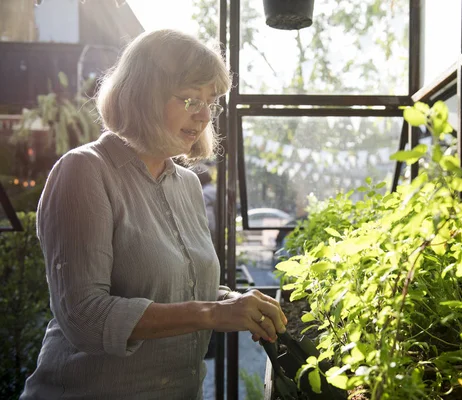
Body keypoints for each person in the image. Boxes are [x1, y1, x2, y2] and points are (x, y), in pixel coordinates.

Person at [21, 29, 287, 400]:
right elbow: (84, 316)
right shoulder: (84, 171)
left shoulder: (187, 185)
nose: (205, 115)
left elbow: (187, 290)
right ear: (144, 94)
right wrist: (212, 313)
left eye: (211, 101)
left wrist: (236, 304)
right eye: (192, 99)